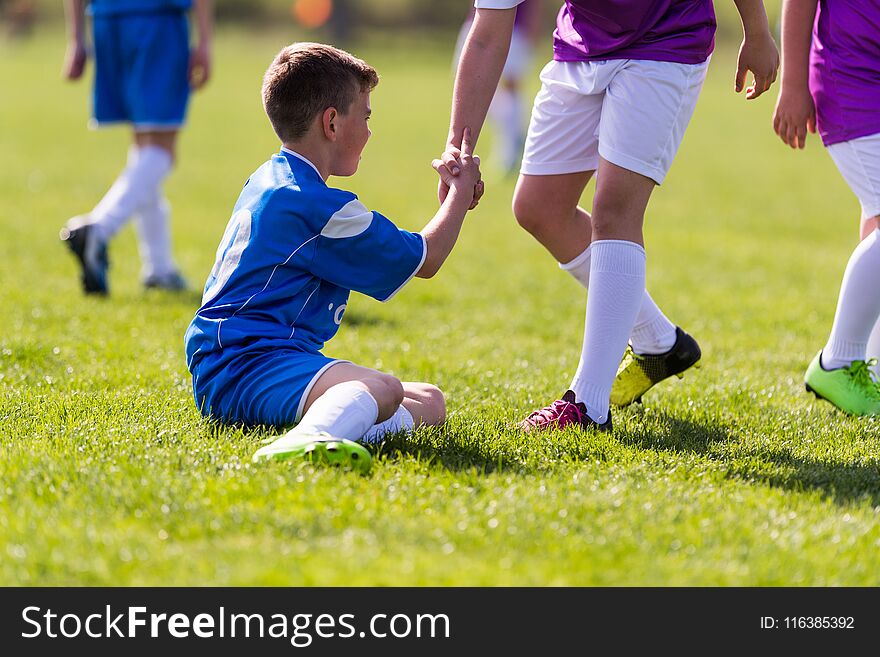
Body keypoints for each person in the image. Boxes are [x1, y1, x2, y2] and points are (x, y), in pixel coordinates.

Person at [438, 0, 779, 431]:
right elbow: (488, 33)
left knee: (615, 210)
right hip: (580, 48)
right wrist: (457, 146)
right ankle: (659, 342)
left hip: (666, 41)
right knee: (538, 208)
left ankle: (588, 405)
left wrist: (757, 30)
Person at [184, 43, 482, 473]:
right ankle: (311, 439)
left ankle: (330, 427)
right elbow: (426, 258)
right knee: (381, 388)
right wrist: (458, 195)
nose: (369, 130)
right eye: (365, 116)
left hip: (243, 357)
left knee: (429, 401)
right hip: (243, 363)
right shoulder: (315, 206)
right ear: (331, 123)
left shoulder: (273, 176)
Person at [59, 0, 213, 295]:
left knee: (145, 146)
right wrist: (204, 40)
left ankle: (159, 268)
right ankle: (98, 229)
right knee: (161, 152)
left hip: (107, 21)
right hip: (158, 21)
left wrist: (76, 37)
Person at [773, 0, 880, 415]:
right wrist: (793, 84)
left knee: (876, 217)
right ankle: (839, 360)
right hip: (852, 76)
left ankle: (868, 371)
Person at [453, 0, 542, 175]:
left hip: (514, 28)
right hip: (478, 22)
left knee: (510, 86)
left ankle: (511, 148)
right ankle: (514, 135)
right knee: (469, 87)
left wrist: (532, 26)